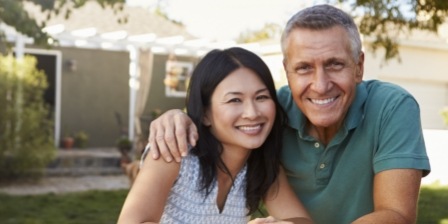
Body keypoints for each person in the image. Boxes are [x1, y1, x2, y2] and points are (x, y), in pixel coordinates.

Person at [145, 4, 431, 224]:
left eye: (334, 65)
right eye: (304, 67)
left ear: (359, 67)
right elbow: (221, 116)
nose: (320, 85)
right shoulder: (271, 113)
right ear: (287, 72)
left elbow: (396, 214)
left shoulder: (392, 106)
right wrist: (178, 117)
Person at [118, 47, 313, 224]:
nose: (252, 113)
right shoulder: (175, 152)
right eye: (234, 100)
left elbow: (302, 221)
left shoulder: (262, 167)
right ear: (205, 114)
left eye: (261, 97)